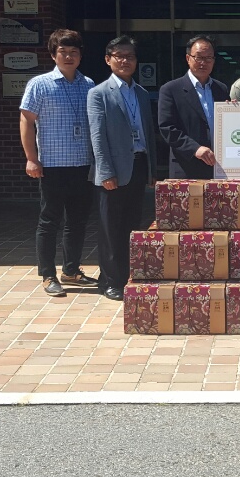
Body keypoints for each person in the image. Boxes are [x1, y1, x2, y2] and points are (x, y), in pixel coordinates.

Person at [18, 28, 98, 298]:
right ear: (53, 55)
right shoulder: (39, 84)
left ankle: (71, 271)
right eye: (63, 52)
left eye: (74, 52)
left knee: (77, 221)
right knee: (49, 220)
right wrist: (31, 159)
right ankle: (48, 274)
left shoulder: (88, 84)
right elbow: (26, 121)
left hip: (82, 164)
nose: (69, 56)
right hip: (51, 165)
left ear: (80, 56)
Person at [87, 36, 157, 302]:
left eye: (130, 56)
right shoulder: (98, 93)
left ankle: (127, 275)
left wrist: (151, 169)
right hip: (113, 170)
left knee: (131, 225)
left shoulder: (141, 93)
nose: (125, 61)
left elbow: (148, 132)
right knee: (111, 228)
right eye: (119, 56)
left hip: (138, 164)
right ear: (108, 59)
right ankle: (110, 281)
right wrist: (105, 172)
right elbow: (97, 137)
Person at [158, 35, 229, 179]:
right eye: (199, 57)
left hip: (218, 167)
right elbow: (167, 128)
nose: (203, 62)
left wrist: (233, 112)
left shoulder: (221, 89)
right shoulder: (171, 89)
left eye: (208, 58)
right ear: (188, 58)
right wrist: (195, 148)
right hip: (186, 166)